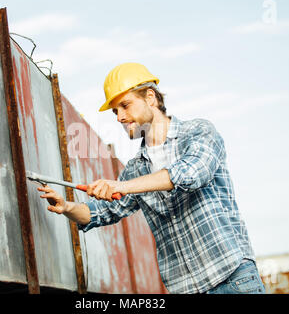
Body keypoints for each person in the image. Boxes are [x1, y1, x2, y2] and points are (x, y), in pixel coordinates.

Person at [37, 62, 266, 294]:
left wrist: (122, 186)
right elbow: (100, 213)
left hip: (233, 280)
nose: (119, 117)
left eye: (125, 106)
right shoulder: (136, 169)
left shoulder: (199, 132)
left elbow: (188, 174)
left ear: (150, 97)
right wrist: (66, 206)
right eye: (115, 111)